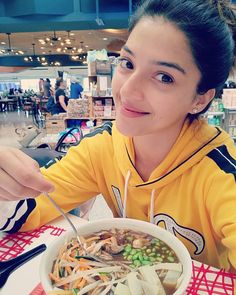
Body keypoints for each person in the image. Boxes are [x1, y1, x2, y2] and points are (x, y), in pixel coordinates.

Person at [0, 0, 235, 272]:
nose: (127, 91)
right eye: (127, 63)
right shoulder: (102, 148)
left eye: (164, 77)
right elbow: (31, 210)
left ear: (200, 99)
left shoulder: (221, 173)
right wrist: (7, 188)